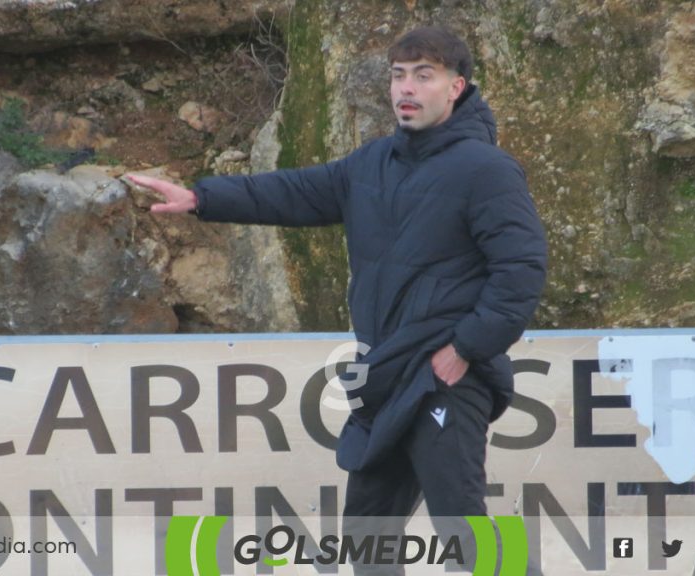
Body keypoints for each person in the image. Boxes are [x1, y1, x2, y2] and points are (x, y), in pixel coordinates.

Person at [127, 25, 547, 572]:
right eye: (398, 75)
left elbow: (521, 271)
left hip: (444, 376)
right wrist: (202, 196)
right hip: (385, 377)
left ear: (457, 87)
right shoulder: (372, 163)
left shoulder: (486, 170)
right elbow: (293, 192)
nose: (406, 88)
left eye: (424, 75)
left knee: (464, 530)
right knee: (368, 540)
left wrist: (465, 347)